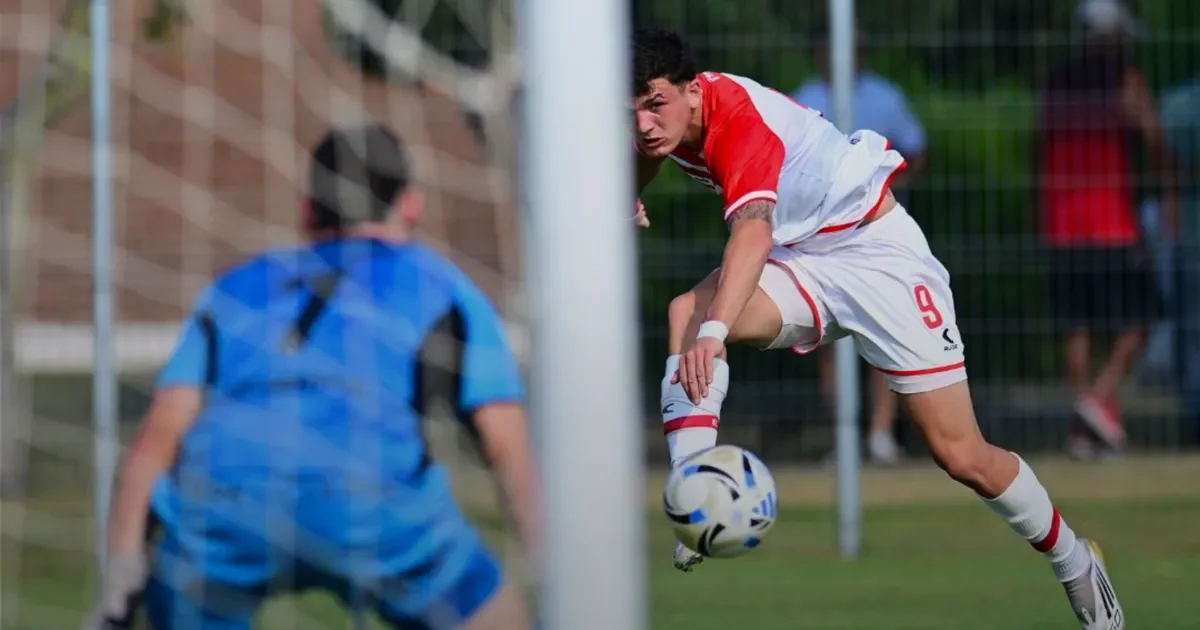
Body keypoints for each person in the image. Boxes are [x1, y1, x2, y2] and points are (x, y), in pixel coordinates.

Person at [631, 28, 1124, 630]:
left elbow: (754, 232)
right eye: (632, 111)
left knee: (961, 455)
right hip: (807, 260)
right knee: (686, 311)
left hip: (878, 256)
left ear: (690, 90)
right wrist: (632, 192)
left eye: (655, 105)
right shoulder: (665, 121)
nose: (646, 124)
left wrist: (716, 332)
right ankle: (697, 496)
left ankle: (1075, 562)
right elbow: (644, 152)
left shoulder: (738, 119)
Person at [87, 125, 539, 630]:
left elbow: (156, 440)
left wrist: (119, 587)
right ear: (411, 207)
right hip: (374, 503)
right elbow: (506, 444)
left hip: (222, 508)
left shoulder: (234, 287)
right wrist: (553, 567)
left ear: (307, 210)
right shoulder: (442, 285)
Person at [1034, 0, 1173, 459]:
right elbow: (1154, 140)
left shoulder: (1055, 83)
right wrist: (1165, 184)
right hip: (1111, 222)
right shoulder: (1125, 82)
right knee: (1141, 318)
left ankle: (1082, 426)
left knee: (1078, 326)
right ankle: (1096, 401)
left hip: (1061, 223)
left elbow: (1040, 143)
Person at [791, 24, 930, 464]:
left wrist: (886, 188)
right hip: (817, 238)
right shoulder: (803, 96)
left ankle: (880, 433)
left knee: (881, 332)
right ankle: (845, 436)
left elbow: (917, 148)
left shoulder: (885, 97)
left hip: (875, 238)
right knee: (827, 339)